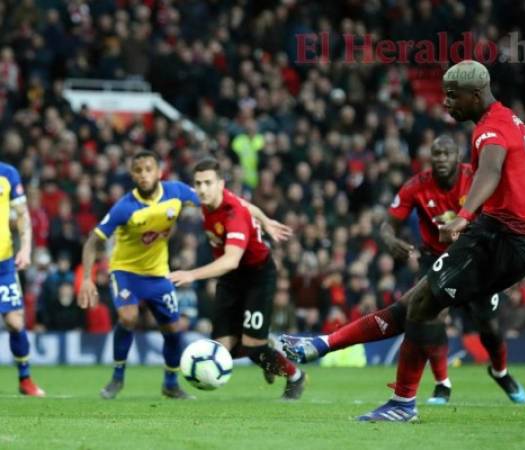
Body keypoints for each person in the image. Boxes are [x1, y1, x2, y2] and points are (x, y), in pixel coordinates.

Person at [299, 59, 525, 422]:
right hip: (514, 235)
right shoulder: (509, 119)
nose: (446, 103)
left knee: (424, 306)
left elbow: (491, 171)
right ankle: (323, 346)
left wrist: (463, 217)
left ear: (475, 94)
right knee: (417, 303)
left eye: (452, 96)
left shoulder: (488, 130)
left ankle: (404, 402)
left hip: (503, 236)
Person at [281, 135, 525, 406]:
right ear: (429, 158)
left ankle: (500, 372)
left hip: (476, 260)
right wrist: (390, 240)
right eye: (437, 154)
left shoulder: (476, 179)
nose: (442, 159)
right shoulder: (416, 186)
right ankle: (441, 384)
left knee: (489, 328)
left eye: (447, 154)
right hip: (435, 259)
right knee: (427, 317)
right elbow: (387, 225)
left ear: (459, 157)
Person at [78, 151, 289, 399]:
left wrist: (264, 221)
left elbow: (232, 202)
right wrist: (86, 278)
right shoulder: (125, 207)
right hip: (126, 272)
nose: (144, 175)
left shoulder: (176, 192)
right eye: (138, 170)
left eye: (149, 169)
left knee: (173, 327)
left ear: (159, 172)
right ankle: (117, 378)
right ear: (132, 175)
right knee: (128, 317)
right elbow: (93, 240)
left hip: (158, 273)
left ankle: (170, 384)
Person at [169, 157, 306, 400]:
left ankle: (295, 376)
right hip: (231, 279)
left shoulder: (233, 215)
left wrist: (190, 274)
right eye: (198, 183)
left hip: (257, 276)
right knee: (222, 350)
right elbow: (248, 204)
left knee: (253, 348)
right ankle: (267, 350)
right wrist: (265, 221)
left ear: (220, 184)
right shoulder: (203, 198)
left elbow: (230, 259)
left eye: (208, 183)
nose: (202, 188)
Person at [0, 162, 45, 396]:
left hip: (3, 263)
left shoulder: (7, 174)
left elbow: (21, 214)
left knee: (15, 322)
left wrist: (25, 248)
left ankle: (25, 379)